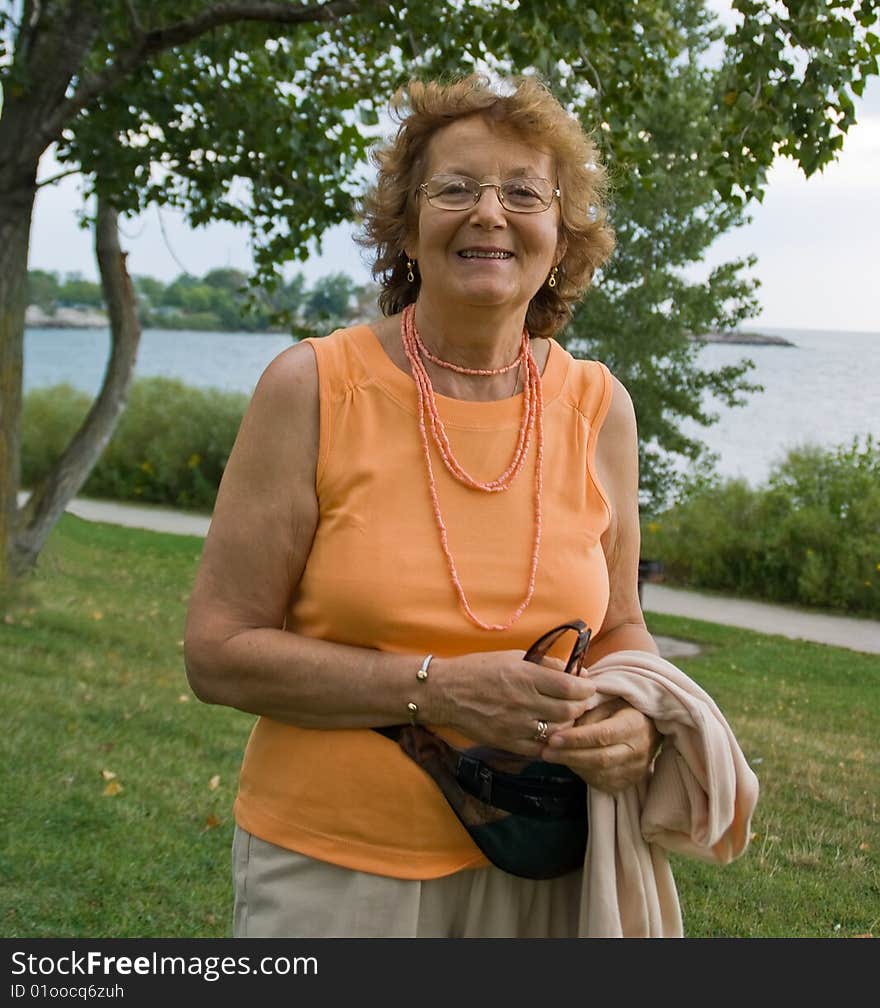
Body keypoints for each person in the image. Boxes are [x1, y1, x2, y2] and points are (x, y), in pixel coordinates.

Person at [184, 71, 756, 939]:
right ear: (408, 227)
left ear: (561, 237)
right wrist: (440, 690)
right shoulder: (313, 386)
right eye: (455, 189)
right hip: (338, 870)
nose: (490, 213)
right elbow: (218, 655)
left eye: (524, 193)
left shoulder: (600, 407)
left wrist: (636, 718)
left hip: (545, 858)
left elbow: (621, 629)